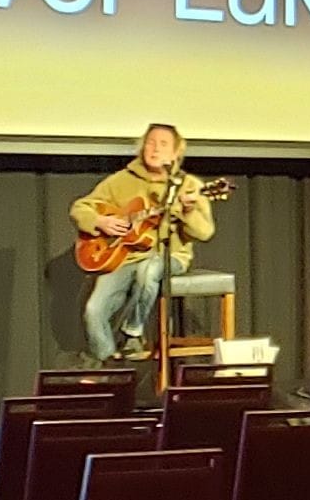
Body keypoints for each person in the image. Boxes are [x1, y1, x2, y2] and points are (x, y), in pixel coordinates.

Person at [71, 124, 215, 362]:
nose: (155, 149)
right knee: (93, 310)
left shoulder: (189, 186)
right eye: (150, 142)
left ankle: (132, 332)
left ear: (176, 152)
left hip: (171, 257)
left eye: (163, 144)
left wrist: (187, 212)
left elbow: (205, 232)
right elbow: (80, 207)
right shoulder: (121, 181)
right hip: (124, 258)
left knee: (148, 271)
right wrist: (100, 221)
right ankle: (111, 369)